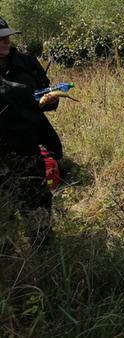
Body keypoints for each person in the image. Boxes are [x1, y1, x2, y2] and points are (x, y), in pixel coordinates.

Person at [0, 16, 60, 247]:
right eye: (1, 38)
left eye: (7, 36)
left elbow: (45, 95)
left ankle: (42, 247)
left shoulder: (26, 63)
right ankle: (7, 254)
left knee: (36, 201)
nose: (6, 41)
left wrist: (51, 99)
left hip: (27, 146)